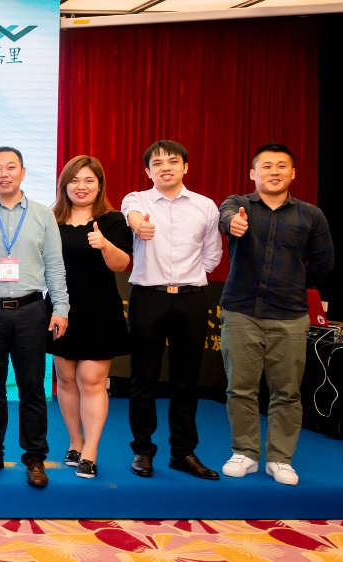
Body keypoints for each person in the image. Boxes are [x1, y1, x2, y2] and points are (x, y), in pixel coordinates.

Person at [218, 143, 333, 486]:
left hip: (290, 315)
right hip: (241, 311)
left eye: (281, 166)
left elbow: (324, 262)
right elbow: (226, 217)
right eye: (266, 166)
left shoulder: (311, 215)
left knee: (287, 392)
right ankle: (245, 452)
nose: (274, 171)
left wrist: (294, 283)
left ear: (293, 173)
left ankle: (280, 458)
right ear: (253, 173)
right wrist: (233, 224)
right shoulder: (238, 205)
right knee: (240, 388)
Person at [0, 146, 69, 488]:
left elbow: (55, 265)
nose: (3, 174)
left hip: (31, 310)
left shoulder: (42, 215)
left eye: (10, 167)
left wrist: (61, 308)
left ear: (22, 173)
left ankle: (35, 457)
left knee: (32, 387)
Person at [121, 140, 223, 480]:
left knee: (187, 379)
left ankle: (183, 452)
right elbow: (132, 216)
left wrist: (191, 277)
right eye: (158, 163)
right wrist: (140, 225)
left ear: (185, 167)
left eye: (173, 161)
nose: (165, 167)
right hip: (147, 297)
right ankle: (142, 450)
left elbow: (212, 253)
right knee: (143, 378)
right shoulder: (137, 199)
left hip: (191, 299)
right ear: (147, 170)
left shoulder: (205, 206)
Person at [46, 155, 132, 479]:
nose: (81, 187)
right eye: (74, 180)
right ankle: (75, 442)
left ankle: (91, 451)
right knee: (67, 380)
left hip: (99, 311)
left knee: (92, 381)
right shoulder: (51, 220)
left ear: (99, 185)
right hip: (61, 310)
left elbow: (121, 264)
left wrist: (104, 244)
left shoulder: (113, 220)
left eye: (88, 180)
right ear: (64, 185)